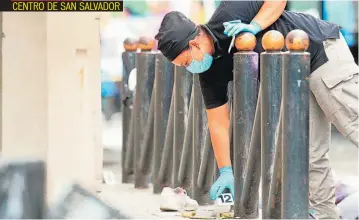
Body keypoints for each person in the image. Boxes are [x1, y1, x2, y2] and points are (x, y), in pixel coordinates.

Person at [155, 1, 359, 219]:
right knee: (308, 152)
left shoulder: (230, 11)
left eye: (185, 62)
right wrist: (226, 171)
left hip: (320, 52)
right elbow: (217, 122)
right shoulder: (208, 72)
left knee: (352, 124)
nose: (189, 68)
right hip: (295, 77)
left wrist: (254, 25)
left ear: (194, 45)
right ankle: (325, 215)